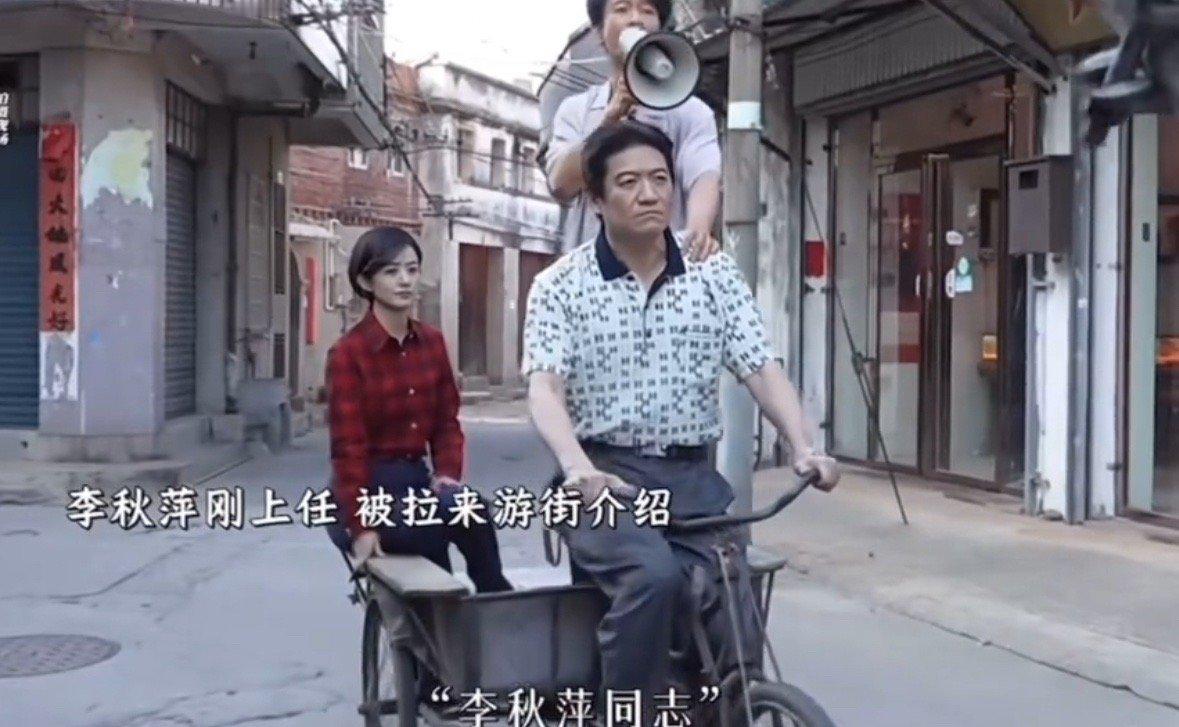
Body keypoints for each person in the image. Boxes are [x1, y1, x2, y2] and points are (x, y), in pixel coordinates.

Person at [522, 121, 839, 717]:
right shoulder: (560, 286)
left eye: (660, 179)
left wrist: (803, 446)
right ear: (596, 200)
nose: (649, 194)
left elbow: (760, 365)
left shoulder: (713, 275)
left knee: (732, 599)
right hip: (602, 478)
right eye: (628, 182)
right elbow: (545, 387)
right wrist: (576, 467)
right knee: (653, 579)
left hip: (692, 479)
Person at [326, 226, 511, 594]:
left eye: (412, 270)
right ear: (365, 281)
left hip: (417, 483)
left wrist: (447, 475)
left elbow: (446, 422)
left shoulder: (432, 342)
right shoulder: (348, 354)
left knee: (471, 510)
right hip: (366, 494)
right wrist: (361, 528)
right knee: (430, 543)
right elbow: (348, 451)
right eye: (391, 271)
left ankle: (496, 599)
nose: (405, 280)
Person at [543, 0, 722, 259]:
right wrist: (608, 123)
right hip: (593, 274)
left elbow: (703, 175)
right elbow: (560, 185)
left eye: (647, 10)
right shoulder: (576, 111)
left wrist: (698, 230)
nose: (635, 19)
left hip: (666, 270)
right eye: (622, 9)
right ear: (599, 31)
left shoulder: (692, 113)